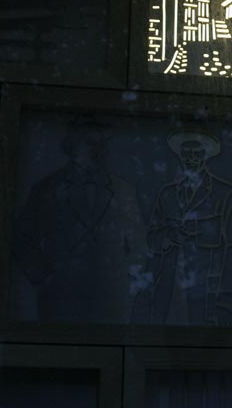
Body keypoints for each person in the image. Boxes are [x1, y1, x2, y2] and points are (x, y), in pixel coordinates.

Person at [13, 116, 147, 324]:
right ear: (73, 145)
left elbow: (139, 244)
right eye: (90, 143)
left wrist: (131, 285)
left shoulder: (124, 190)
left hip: (112, 302)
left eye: (102, 144)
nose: (98, 150)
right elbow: (21, 237)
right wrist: (42, 274)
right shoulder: (46, 189)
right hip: (61, 299)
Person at [141, 131, 232, 326]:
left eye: (196, 152)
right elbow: (151, 239)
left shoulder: (226, 194)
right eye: (185, 152)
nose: (190, 158)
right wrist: (168, 236)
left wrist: (228, 300)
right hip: (169, 294)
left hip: (207, 294)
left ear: (206, 155)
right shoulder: (167, 194)